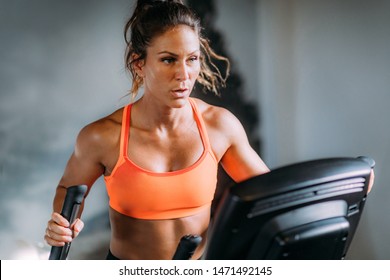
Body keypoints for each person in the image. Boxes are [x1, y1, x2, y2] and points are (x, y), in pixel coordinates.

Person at [44, 0, 269, 260]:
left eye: (192, 59)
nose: (183, 74)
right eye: (168, 60)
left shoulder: (220, 125)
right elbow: (68, 190)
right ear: (139, 63)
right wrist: (61, 226)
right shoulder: (102, 136)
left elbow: (272, 192)